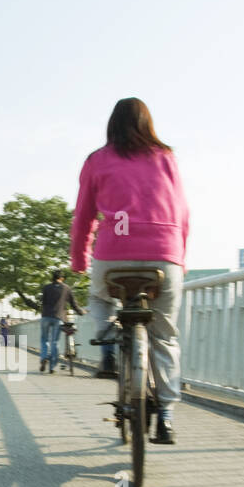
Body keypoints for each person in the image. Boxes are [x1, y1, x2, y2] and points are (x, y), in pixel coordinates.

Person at [70, 97, 189, 444]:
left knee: (99, 295)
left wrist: (79, 260)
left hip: (114, 254)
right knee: (164, 337)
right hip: (165, 255)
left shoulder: (97, 160)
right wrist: (179, 258)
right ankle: (166, 416)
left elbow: (84, 217)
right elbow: (182, 213)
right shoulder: (166, 158)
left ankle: (108, 348)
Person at [39, 270, 84, 373]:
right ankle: (52, 367)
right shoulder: (67, 288)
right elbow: (74, 304)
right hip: (58, 317)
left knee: (44, 339)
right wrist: (81, 312)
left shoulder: (46, 287)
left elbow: (42, 301)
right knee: (54, 342)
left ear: (52, 278)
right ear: (62, 278)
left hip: (45, 316)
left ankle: (44, 357)